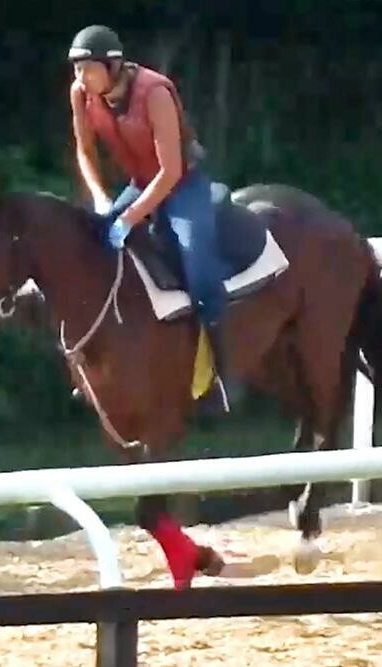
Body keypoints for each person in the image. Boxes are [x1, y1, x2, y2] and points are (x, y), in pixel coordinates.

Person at [66, 24, 237, 412]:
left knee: (199, 267)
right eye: (76, 69)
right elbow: (85, 153)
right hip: (140, 183)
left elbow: (171, 171)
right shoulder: (81, 94)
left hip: (182, 185)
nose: (80, 78)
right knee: (92, 253)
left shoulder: (154, 92)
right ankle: (93, 363)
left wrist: (129, 217)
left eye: (87, 68)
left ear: (111, 66)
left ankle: (219, 373)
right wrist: (99, 198)